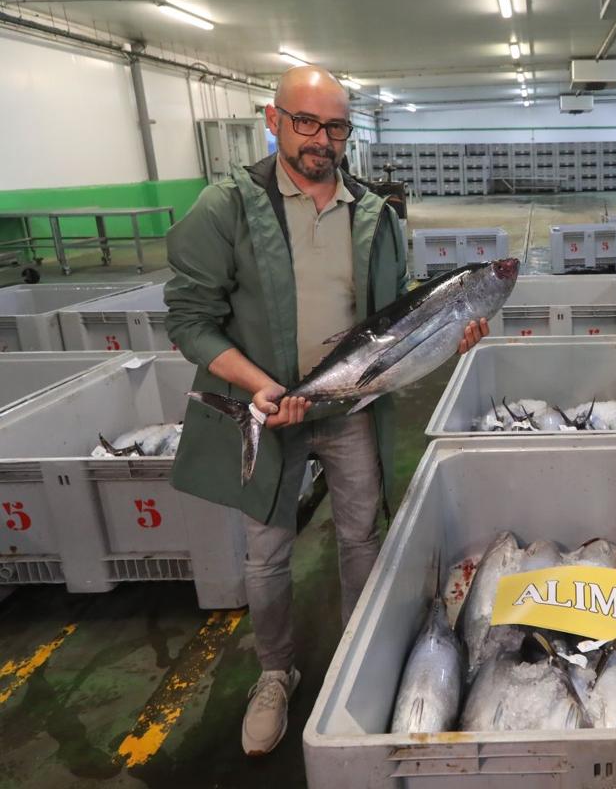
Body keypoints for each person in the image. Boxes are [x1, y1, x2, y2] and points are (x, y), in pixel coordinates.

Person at [163, 66, 488, 755]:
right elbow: (190, 318)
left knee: (361, 535)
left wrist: (444, 337)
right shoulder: (226, 206)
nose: (321, 138)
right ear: (273, 120)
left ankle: (357, 661)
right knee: (266, 553)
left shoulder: (374, 212)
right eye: (305, 121)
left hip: (348, 407)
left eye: (335, 126)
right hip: (269, 404)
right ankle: (276, 673)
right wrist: (259, 387)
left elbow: (394, 312)